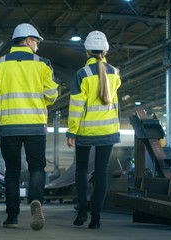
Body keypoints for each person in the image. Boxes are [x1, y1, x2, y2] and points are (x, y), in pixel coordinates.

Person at [0, 23, 59, 230]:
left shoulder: (0, 64)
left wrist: (6, 102)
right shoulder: (42, 63)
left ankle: (12, 217)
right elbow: (52, 95)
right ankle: (36, 201)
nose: (38, 46)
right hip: (34, 124)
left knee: (12, 172)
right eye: (36, 41)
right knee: (37, 168)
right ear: (27, 40)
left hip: (9, 126)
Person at [66, 30, 121, 229]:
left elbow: (76, 106)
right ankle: (96, 218)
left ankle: (82, 213)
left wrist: (72, 131)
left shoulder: (82, 74)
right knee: (101, 173)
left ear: (87, 51)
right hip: (108, 131)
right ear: (105, 50)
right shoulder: (114, 73)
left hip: (85, 132)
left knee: (81, 171)